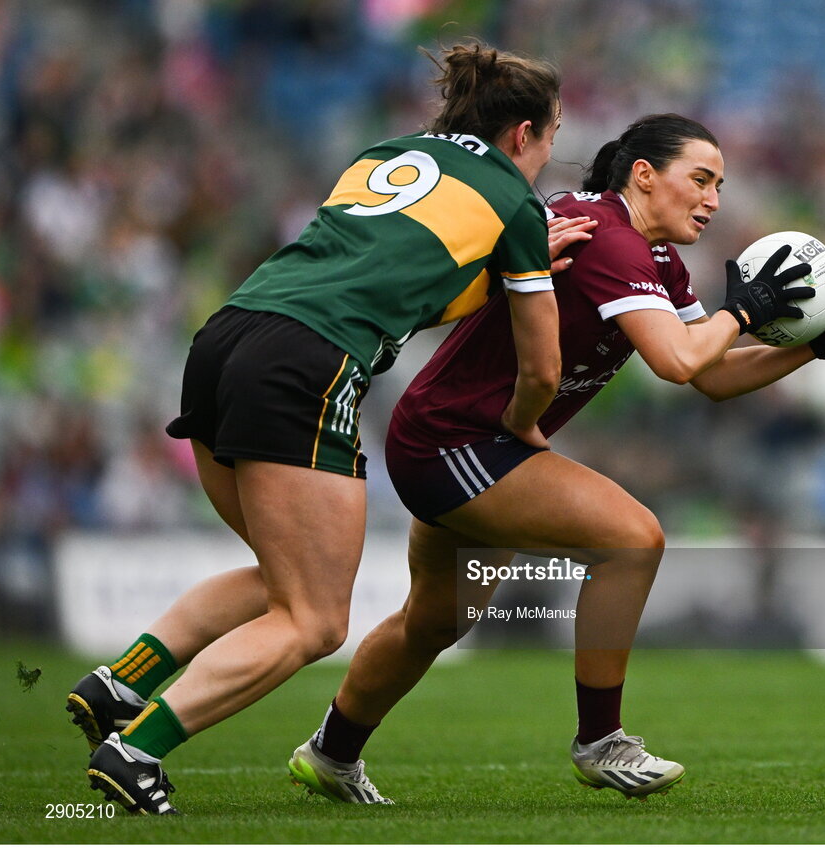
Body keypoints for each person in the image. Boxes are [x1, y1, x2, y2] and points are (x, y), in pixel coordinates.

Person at [67, 42, 590, 815]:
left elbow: (399, 274)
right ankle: (137, 748)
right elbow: (541, 368)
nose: (547, 158)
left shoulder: (386, 152)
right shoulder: (515, 201)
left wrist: (489, 277)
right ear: (523, 134)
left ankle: (122, 682)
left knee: (283, 582)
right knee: (314, 620)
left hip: (229, 333)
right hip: (308, 362)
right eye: (550, 138)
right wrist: (521, 419)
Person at [285, 113, 825, 802]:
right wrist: (745, 310)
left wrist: (807, 347)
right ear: (643, 174)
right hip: (457, 441)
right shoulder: (613, 242)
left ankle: (331, 754)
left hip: (457, 436)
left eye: (720, 187)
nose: (712, 200)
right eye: (700, 180)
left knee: (437, 620)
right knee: (631, 539)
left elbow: (712, 374)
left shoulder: (651, 254)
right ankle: (601, 742)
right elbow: (680, 361)